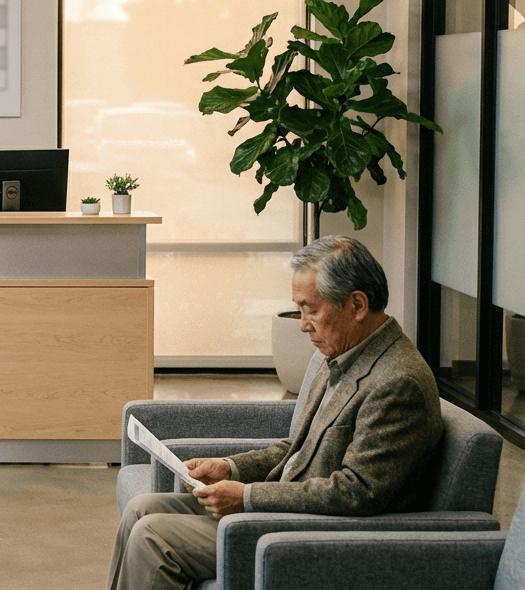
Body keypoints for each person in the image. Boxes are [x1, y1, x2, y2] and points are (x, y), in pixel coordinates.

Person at [109, 235, 443, 590]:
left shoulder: (397, 382)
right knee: (140, 510)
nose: (302, 324)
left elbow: (355, 492)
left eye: (311, 309)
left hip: (310, 533)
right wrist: (231, 467)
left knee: (152, 536)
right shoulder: (341, 356)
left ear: (357, 305)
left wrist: (247, 496)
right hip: (283, 510)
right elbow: (296, 447)